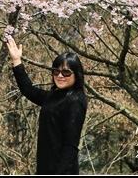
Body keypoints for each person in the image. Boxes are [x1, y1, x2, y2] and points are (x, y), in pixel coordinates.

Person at [6, 35, 88, 175]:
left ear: (77, 75)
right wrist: (17, 61)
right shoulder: (55, 96)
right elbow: (28, 90)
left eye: (66, 72)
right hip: (46, 168)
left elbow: (71, 146)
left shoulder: (75, 101)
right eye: (56, 71)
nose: (60, 75)